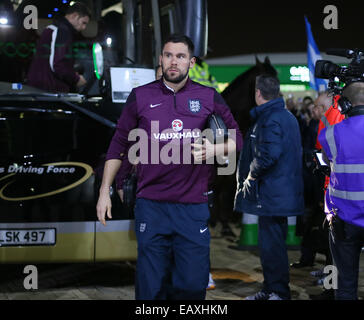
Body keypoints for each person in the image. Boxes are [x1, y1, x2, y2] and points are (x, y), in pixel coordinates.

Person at [96, 34, 243, 300]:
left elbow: (237, 137)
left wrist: (214, 149)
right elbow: (119, 144)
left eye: (180, 56)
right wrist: (105, 190)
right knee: (151, 288)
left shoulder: (208, 96)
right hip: (151, 207)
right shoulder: (140, 96)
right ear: (161, 59)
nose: (173, 62)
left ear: (191, 61)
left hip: (192, 207)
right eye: (168, 55)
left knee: (191, 286)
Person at [234, 74, 304, 300]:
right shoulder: (285, 116)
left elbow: (268, 155)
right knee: (272, 246)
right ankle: (271, 288)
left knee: (272, 247)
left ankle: (278, 292)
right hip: (278, 194)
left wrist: (251, 175)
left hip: (273, 195)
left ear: (258, 93)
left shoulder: (271, 118)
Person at [318, 81, 364, 300]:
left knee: (344, 286)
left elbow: (327, 160)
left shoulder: (329, 134)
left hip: (344, 221)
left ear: (344, 104)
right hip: (345, 220)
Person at [26, 2, 90, 92]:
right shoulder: (62, 31)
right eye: (83, 23)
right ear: (74, 16)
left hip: (41, 88)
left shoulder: (54, 29)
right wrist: (76, 79)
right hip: (49, 90)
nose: (84, 27)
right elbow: (58, 64)